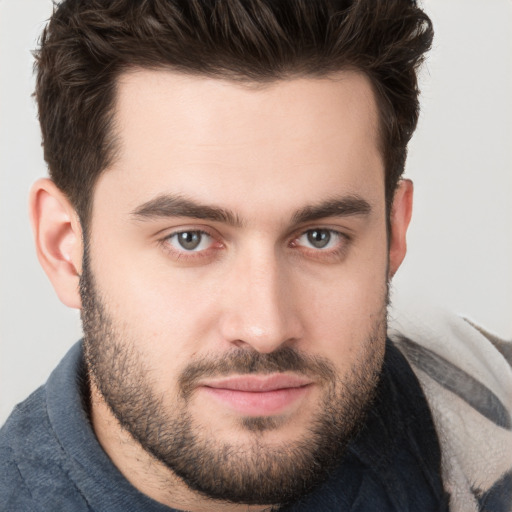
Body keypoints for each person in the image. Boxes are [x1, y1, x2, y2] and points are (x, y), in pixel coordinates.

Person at [0, 0, 510, 511]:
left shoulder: (489, 400)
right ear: (65, 248)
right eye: (190, 239)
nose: (266, 327)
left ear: (394, 233)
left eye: (319, 237)